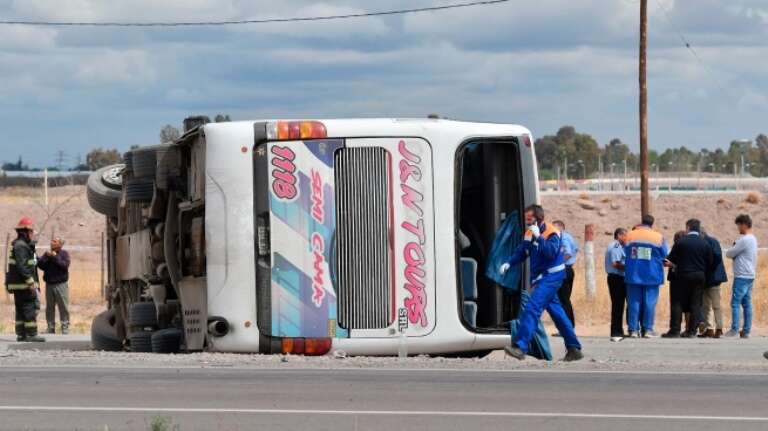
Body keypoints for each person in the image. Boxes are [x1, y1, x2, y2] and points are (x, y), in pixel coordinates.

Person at [500, 204, 583, 361]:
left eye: (530, 220)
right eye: (526, 220)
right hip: (542, 278)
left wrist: (539, 238)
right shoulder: (530, 232)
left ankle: (520, 347)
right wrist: (509, 263)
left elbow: (551, 253)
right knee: (558, 313)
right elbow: (523, 251)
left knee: (532, 308)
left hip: (552, 277)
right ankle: (574, 348)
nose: (527, 223)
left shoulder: (552, 233)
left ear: (539, 219)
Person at [665, 219, 714, 338]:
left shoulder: (681, 242)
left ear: (688, 228)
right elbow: (710, 262)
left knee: (677, 302)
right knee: (696, 303)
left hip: (682, 275)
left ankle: (675, 330)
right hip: (699, 276)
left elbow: (670, 259)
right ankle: (691, 331)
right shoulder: (705, 243)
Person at [623, 214, 668, 338]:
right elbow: (665, 253)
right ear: (652, 224)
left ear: (641, 222)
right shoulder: (658, 237)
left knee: (633, 303)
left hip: (633, 274)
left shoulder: (630, 235)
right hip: (652, 275)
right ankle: (648, 330)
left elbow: (624, 251)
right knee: (649, 303)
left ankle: (633, 330)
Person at [3, 217, 45, 342]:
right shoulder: (21, 246)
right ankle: (31, 334)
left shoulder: (21, 245)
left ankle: (21, 334)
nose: (33, 235)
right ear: (26, 232)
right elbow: (23, 266)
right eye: (31, 232)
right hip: (24, 285)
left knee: (21, 309)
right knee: (29, 308)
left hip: (19, 285)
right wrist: (31, 282)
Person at [724, 214, 758, 339]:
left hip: (742, 275)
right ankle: (746, 331)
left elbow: (729, 253)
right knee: (747, 303)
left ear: (744, 224)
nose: (738, 228)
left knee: (735, 303)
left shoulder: (744, 240)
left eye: (738, 225)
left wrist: (733, 247)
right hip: (750, 275)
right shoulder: (753, 239)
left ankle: (734, 329)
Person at [37, 237, 71, 335]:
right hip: (49, 285)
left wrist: (55, 257)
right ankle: (50, 327)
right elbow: (40, 265)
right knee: (49, 307)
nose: (52, 243)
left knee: (63, 306)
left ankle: (65, 327)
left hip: (61, 285)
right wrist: (47, 257)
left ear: (60, 244)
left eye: (54, 241)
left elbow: (64, 265)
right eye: (51, 241)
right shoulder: (47, 253)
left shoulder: (64, 254)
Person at [700, 229, 727, 338]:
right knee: (706, 305)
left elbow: (716, 256)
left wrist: (708, 267)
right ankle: (709, 328)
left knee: (716, 305)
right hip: (707, 279)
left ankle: (719, 328)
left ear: (702, 234)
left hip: (713, 278)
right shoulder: (708, 241)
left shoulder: (711, 241)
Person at [552, 220, 578, 329]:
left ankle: (566, 327)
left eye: (554, 228)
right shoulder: (567, 237)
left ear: (560, 227)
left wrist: (559, 263)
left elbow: (568, 253)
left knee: (563, 300)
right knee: (564, 299)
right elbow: (575, 250)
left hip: (564, 269)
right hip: (567, 269)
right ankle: (568, 326)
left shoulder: (563, 237)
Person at [662, 231, 687, 338]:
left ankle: (675, 329)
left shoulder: (677, 248)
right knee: (688, 305)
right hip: (687, 280)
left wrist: (672, 264)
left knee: (676, 305)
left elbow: (669, 261)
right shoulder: (688, 248)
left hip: (677, 279)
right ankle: (689, 329)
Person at [605, 227, 627, 342]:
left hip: (618, 278)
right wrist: (630, 268)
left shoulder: (619, 246)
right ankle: (616, 331)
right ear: (619, 235)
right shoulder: (616, 246)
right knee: (617, 305)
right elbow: (615, 263)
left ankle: (619, 330)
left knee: (619, 305)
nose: (627, 238)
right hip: (616, 278)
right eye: (625, 235)